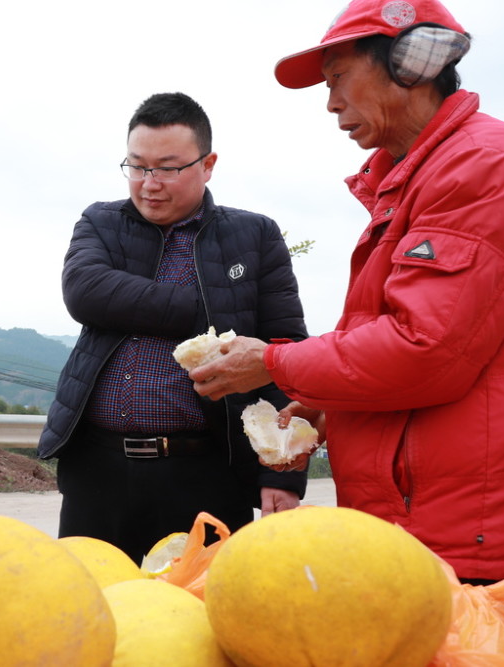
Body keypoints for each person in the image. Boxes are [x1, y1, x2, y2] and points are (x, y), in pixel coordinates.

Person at [189, 0, 504, 634]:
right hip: (415, 529)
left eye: (338, 78)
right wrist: (325, 406)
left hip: (466, 544)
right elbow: (419, 340)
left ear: (412, 63)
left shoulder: (483, 166)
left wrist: (272, 362)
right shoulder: (414, 181)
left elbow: (425, 350)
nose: (330, 104)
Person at [37, 92, 309, 564]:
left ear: (208, 165)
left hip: (207, 468)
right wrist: (208, 308)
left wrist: (282, 475)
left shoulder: (256, 236)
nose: (149, 184)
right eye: (137, 166)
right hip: (97, 466)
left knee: (201, 617)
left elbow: (285, 350)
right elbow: (84, 290)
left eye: (168, 168)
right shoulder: (103, 221)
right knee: (89, 612)